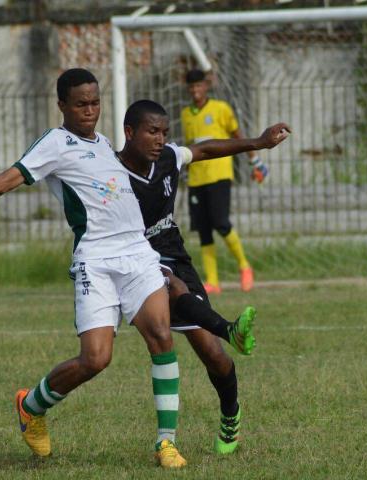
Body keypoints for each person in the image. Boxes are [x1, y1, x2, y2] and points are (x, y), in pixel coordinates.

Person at [0, 69, 187, 468]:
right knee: (95, 360)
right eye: (80, 104)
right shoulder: (55, 144)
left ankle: (166, 443)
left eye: (95, 102)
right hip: (96, 259)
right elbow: (1, 183)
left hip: (137, 254)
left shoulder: (105, 143)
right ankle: (31, 406)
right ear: (62, 105)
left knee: (161, 335)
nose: (90, 110)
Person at [118, 99, 290, 453]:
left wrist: (257, 143)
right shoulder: (110, 171)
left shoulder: (167, 158)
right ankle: (229, 328)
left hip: (174, 252)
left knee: (214, 354)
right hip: (134, 258)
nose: (160, 139)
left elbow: (206, 149)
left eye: (165, 132)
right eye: (152, 131)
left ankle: (231, 413)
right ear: (129, 132)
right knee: (169, 284)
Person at [181, 68, 270, 295]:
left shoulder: (221, 109)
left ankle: (244, 265)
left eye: (199, 85)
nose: (195, 90)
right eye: (192, 87)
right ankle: (212, 281)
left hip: (219, 176)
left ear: (206, 86)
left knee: (221, 223)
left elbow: (238, 135)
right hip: (196, 178)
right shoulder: (186, 114)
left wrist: (255, 162)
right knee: (203, 229)